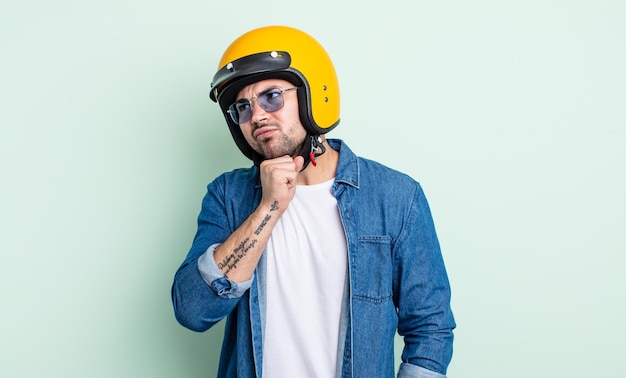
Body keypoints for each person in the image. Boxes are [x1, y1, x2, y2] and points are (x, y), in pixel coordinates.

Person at [171, 25, 456, 378]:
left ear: (312, 96)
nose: (256, 115)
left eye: (271, 96)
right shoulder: (228, 196)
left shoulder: (396, 196)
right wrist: (268, 208)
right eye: (242, 107)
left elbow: (431, 326)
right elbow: (193, 310)